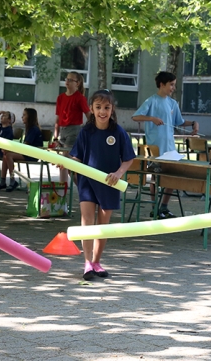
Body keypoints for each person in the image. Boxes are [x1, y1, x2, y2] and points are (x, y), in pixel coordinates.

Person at [69, 90, 136, 280]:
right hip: (87, 182)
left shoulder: (118, 132)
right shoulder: (86, 132)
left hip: (110, 183)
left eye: (106, 107)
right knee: (87, 221)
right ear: (91, 109)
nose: (102, 112)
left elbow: (128, 159)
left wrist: (119, 173)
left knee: (102, 225)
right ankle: (87, 263)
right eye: (98, 107)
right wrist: (65, 161)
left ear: (112, 109)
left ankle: (97, 262)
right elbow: (76, 156)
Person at [132, 71, 198, 219]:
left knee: (173, 177)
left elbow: (179, 122)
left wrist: (193, 123)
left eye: (174, 85)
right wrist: (151, 118)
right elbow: (135, 116)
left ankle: (164, 207)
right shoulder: (151, 101)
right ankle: (154, 208)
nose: (173, 88)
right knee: (155, 177)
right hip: (155, 149)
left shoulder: (173, 103)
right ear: (162, 84)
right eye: (171, 84)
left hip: (170, 149)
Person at [54, 71, 90, 184]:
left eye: (71, 80)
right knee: (65, 163)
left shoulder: (80, 98)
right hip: (63, 131)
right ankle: (66, 189)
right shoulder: (60, 98)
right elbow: (58, 118)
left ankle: (78, 189)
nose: (67, 82)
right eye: (66, 79)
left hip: (74, 131)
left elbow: (88, 115)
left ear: (77, 83)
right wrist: (55, 136)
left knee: (66, 161)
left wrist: (90, 130)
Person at [1, 108, 43, 192]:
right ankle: (3, 181)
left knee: (8, 155)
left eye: (24, 115)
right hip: (27, 152)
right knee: (6, 154)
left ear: (30, 117)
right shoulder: (30, 128)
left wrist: (12, 149)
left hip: (32, 154)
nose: (22, 117)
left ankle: (12, 181)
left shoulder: (33, 129)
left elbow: (26, 145)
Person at [0, 111, 16, 190]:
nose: (2, 117)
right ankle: (2, 181)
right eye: (2, 115)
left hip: (1, 150)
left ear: (9, 120)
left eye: (4, 116)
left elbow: (7, 144)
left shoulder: (9, 130)